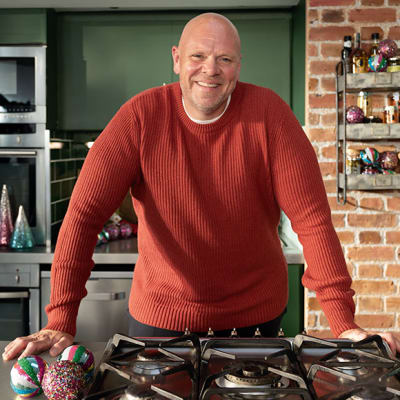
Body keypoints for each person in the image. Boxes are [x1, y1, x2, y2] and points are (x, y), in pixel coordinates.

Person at [3, 12, 399, 361]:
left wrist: (344, 325)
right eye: (198, 56)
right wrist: (60, 320)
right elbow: (83, 216)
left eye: (224, 59)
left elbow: (312, 220)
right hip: (159, 319)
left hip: (256, 321)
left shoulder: (271, 116)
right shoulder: (139, 118)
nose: (210, 69)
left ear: (238, 65)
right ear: (177, 59)